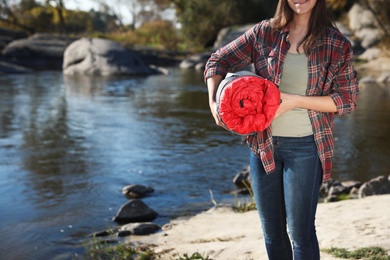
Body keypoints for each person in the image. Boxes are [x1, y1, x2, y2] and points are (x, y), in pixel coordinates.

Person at [204, 0, 359, 259]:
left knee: (301, 234)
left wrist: (294, 101)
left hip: (306, 147)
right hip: (263, 146)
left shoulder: (335, 43)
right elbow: (217, 61)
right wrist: (213, 102)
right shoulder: (264, 32)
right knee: (272, 232)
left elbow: (347, 100)